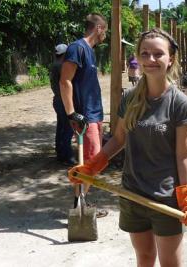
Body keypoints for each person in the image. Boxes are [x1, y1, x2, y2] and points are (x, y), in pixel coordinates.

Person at [68, 28, 187, 266]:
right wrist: (92, 167)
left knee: (171, 263)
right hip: (132, 194)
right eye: (145, 53)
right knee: (145, 258)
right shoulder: (129, 98)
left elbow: (184, 155)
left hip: (166, 198)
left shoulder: (180, 104)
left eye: (158, 54)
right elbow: (118, 139)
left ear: (171, 59)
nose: (150, 60)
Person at [59, 13, 108, 209]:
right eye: (105, 30)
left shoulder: (90, 51)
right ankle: (79, 205)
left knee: (94, 160)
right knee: (93, 159)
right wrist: (72, 113)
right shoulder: (77, 48)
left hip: (95, 113)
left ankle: (81, 202)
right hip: (84, 115)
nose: (105, 34)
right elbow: (65, 81)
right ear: (98, 28)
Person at [50, 44, 76, 166]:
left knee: (61, 127)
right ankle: (67, 156)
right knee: (68, 128)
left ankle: (60, 153)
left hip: (57, 100)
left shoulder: (55, 65)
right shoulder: (61, 66)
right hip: (62, 100)